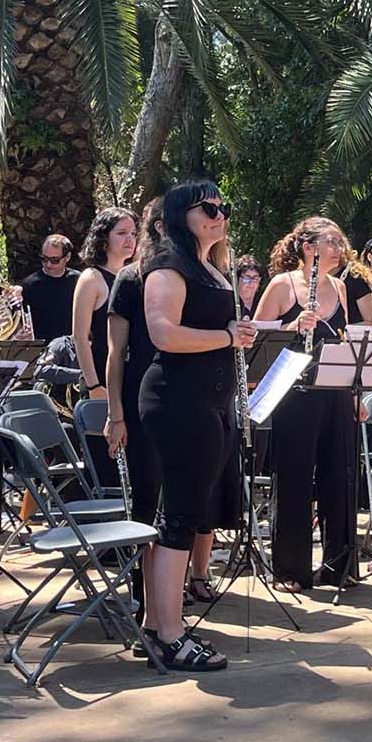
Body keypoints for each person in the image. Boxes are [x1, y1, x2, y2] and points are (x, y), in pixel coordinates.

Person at [136, 181, 252, 671]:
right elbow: (164, 333)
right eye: (208, 208)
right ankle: (169, 635)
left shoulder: (209, 267)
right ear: (181, 215)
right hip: (179, 401)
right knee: (180, 517)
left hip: (209, 402)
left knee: (182, 514)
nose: (219, 214)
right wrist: (227, 336)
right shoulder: (169, 265)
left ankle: (156, 625)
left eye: (224, 207)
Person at [254, 217, 357, 592]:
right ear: (308, 247)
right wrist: (292, 325)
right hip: (296, 395)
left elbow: (344, 341)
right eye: (331, 241)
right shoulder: (283, 284)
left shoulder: (340, 287)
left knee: (339, 475)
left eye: (340, 241)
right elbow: (256, 337)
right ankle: (290, 568)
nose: (338, 249)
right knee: (295, 479)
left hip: (335, 391)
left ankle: (337, 565)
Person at [104, 200, 164, 617]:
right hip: (140, 404)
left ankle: (171, 598)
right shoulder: (130, 278)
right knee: (146, 501)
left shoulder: (197, 274)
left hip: (187, 405)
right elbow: (115, 353)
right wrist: (115, 414)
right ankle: (145, 600)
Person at [72, 207, 138, 399]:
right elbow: (80, 337)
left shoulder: (135, 277)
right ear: (103, 238)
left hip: (133, 379)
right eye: (122, 233)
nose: (130, 239)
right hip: (101, 382)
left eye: (133, 233)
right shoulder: (91, 278)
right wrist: (94, 385)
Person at [21, 234, 81, 342]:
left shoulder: (78, 280)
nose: (48, 264)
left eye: (55, 260)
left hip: (74, 345)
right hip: (44, 347)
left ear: (67, 257)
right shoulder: (30, 284)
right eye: (44, 259)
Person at [233, 254, 264, 320]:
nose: (251, 283)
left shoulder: (263, 304)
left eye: (255, 278)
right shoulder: (229, 305)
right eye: (247, 278)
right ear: (237, 280)